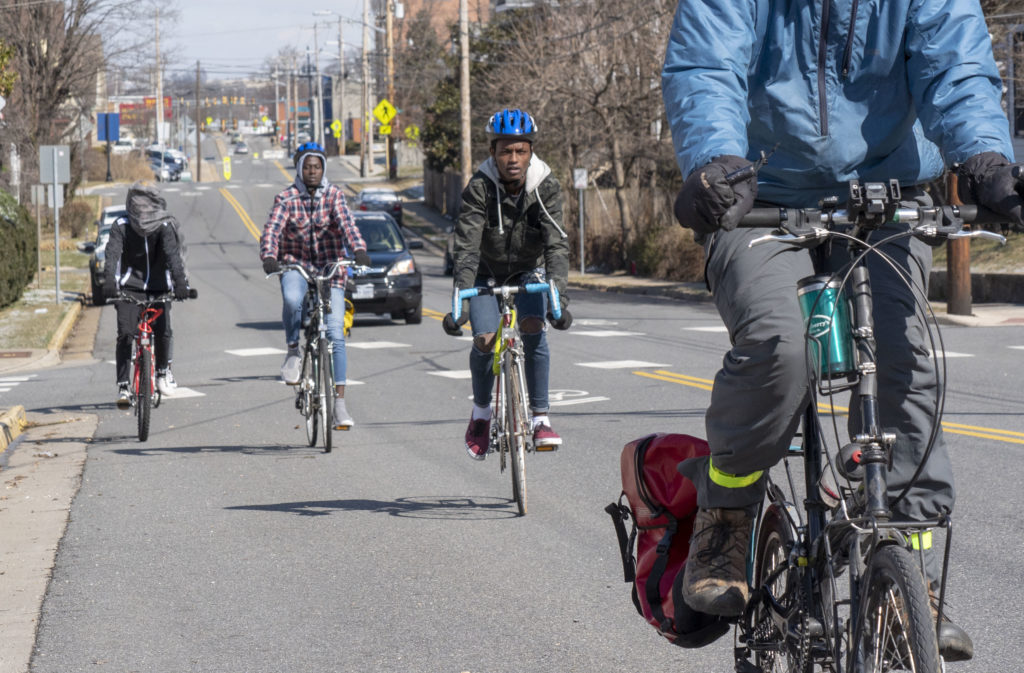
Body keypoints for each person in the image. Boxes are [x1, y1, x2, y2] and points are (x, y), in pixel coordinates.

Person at [662, 0, 1024, 661]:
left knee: (903, 355)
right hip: (756, 199)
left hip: (887, 196)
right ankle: (726, 514)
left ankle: (911, 573)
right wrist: (714, 161)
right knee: (781, 345)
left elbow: (958, 65)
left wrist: (982, 156)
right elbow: (707, 63)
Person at [442, 108, 573, 460]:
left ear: (530, 151)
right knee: (485, 339)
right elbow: (466, 248)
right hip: (485, 271)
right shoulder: (479, 188)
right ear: (493, 153)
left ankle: (540, 419)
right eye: (505, 151)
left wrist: (559, 297)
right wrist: (461, 305)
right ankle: (482, 414)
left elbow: (556, 244)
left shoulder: (545, 185)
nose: (513, 159)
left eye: (520, 151)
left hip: (528, 270)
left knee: (533, 326)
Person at [260, 142, 370, 428]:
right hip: (296, 265)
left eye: (317, 167)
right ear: (300, 169)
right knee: (293, 299)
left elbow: (348, 225)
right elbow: (272, 230)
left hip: (329, 269)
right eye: (307, 167)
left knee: (335, 332)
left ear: (323, 169)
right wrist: (270, 256)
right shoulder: (286, 198)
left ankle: (340, 406)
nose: (312, 171)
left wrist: (358, 249)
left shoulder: (334, 196)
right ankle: (293, 350)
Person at [103, 182, 191, 407]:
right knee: (125, 333)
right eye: (137, 205)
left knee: (163, 330)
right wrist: (110, 282)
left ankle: (163, 371)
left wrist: (180, 283)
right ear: (130, 205)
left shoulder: (164, 226)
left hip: (159, 287)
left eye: (147, 205)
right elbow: (112, 256)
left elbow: (173, 256)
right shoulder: (121, 226)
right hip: (129, 289)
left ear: (156, 205)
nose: (142, 211)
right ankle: (123, 385)